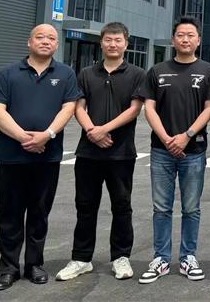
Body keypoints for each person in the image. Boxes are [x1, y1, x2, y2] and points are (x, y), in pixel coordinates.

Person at [0, 24, 80, 291]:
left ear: (57, 45)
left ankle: (34, 264)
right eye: (40, 37)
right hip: (10, 157)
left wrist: (47, 135)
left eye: (51, 38)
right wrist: (24, 138)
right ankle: (8, 268)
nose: (46, 41)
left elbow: (69, 108)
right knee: (9, 214)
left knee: (39, 213)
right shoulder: (8, 73)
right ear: (29, 42)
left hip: (47, 158)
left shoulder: (65, 74)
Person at [54, 22, 145, 282]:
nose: (113, 44)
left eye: (118, 40)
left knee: (122, 206)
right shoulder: (86, 73)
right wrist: (92, 131)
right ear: (101, 43)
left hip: (121, 153)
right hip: (88, 153)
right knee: (85, 206)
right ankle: (81, 259)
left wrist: (104, 129)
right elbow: (78, 106)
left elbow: (134, 109)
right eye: (108, 40)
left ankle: (121, 257)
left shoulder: (137, 74)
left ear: (126, 44)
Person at [136, 16, 210, 284]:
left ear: (198, 40)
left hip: (194, 150)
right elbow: (149, 107)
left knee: (191, 208)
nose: (185, 39)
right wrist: (167, 138)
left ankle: (187, 257)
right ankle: (161, 258)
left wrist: (186, 136)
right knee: (161, 208)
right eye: (180, 35)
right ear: (173, 40)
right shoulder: (157, 71)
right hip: (161, 150)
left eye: (190, 35)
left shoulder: (208, 71)